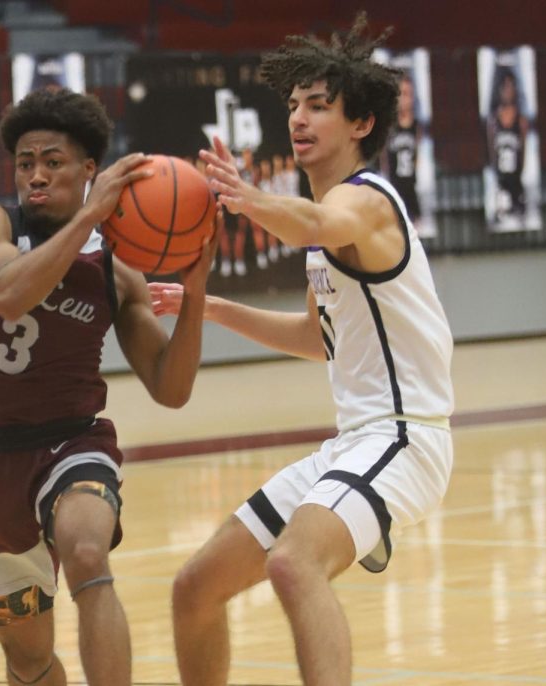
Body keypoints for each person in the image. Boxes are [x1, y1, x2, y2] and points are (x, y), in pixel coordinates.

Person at [151, 15, 454, 686]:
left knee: (292, 563)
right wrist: (208, 306)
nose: (300, 116)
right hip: (354, 443)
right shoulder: (321, 232)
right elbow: (317, 340)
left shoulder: (366, 203)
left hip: (408, 438)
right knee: (194, 587)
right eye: (293, 105)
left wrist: (247, 197)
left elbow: (321, 220)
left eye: (319, 104)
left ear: (361, 124)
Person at [0, 87, 215, 686]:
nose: (35, 175)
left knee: (89, 554)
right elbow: (9, 293)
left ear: (89, 169)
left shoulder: (119, 274)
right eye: (25, 163)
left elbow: (171, 389)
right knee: (30, 662)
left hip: (74, 444)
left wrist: (195, 292)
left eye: (53, 162)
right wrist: (91, 217)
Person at [486, 67, 528, 228]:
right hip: (500, 182)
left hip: (516, 180)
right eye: (505, 86)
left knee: (519, 219)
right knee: (502, 220)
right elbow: (491, 154)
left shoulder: (521, 120)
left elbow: (524, 153)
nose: (508, 91)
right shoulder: (493, 121)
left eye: (512, 86)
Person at [381, 73, 422, 221]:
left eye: (408, 94)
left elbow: (420, 159)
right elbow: (384, 161)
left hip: (413, 189)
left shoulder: (418, 127)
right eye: (401, 94)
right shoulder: (388, 127)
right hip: (394, 189)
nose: (404, 99)